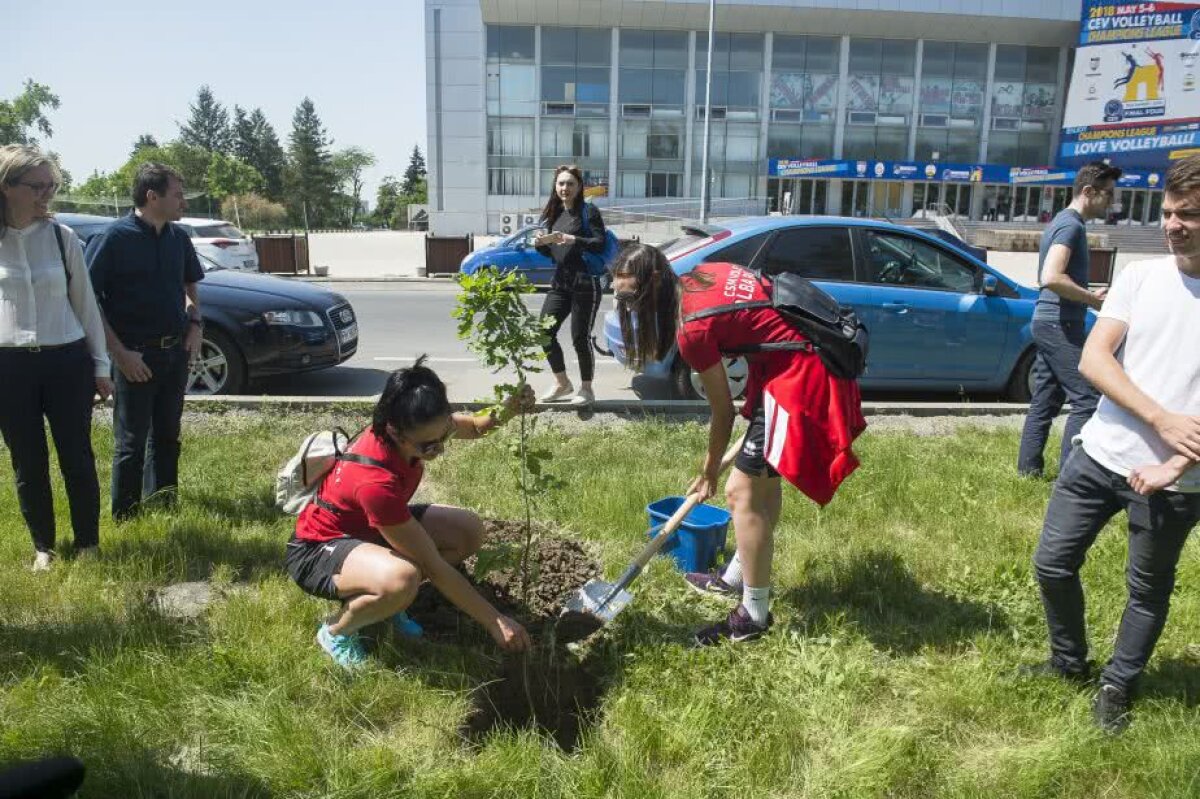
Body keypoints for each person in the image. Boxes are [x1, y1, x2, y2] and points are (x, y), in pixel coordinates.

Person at [611, 244, 866, 645]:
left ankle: (753, 614)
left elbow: (722, 412)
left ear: (654, 283)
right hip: (788, 364)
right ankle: (734, 578)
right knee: (762, 484)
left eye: (628, 298)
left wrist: (709, 471)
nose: (625, 308)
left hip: (803, 374)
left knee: (741, 492)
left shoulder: (692, 327)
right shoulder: (704, 275)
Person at [1027, 154, 1200, 734]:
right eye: (1169, 213)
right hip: (1097, 454)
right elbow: (1095, 360)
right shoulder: (1141, 276)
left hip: (1176, 481)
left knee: (1147, 590)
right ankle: (1068, 662)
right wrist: (1160, 417)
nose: (1173, 226)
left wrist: (1176, 460)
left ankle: (1117, 685)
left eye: (1189, 215)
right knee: (1052, 564)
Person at [286, 357, 535, 669]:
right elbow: (434, 564)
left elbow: (473, 426)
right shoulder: (374, 483)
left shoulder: (419, 425)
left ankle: (389, 602)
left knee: (467, 531)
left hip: (371, 531)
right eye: (429, 447)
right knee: (403, 578)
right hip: (319, 549)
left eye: (445, 435)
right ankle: (338, 630)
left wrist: (509, 409)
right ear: (396, 434)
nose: (440, 449)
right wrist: (495, 620)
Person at [0, 145, 112, 571]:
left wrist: (101, 365)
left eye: (52, 185)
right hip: (9, 367)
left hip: (65, 361)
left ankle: (87, 543)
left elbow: (86, 307)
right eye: (37, 186)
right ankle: (43, 547)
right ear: (8, 188)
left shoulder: (62, 238)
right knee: (27, 460)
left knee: (76, 456)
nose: (47, 193)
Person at [86, 164, 204, 519]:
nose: (183, 200)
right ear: (152, 197)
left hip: (174, 353)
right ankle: (127, 517)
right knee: (131, 443)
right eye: (177, 194)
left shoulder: (178, 239)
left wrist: (196, 322)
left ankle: (164, 504)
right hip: (134, 356)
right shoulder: (113, 239)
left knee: (168, 436)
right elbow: (88, 301)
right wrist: (119, 354)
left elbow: (190, 285)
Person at [1017, 161, 1120, 478]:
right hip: (1058, 323)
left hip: (1051, 320)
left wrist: (1087, 292)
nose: (1112, 203)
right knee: (1087, 398)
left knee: (1046, 400)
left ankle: (1028, 472)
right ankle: (1071, 477)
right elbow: (1051, 276)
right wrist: (1092, 299)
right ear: (1089, 191)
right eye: (1108, 195)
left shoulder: (1063, 222)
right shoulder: (1071, 225)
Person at [534, 164, 607, 406]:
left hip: (586, 282)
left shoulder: (589, 212)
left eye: (570, 184)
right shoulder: (555, 214)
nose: (565, 188)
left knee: (580, 338)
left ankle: (586, 389)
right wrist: (541, 244)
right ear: (555, 187)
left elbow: (599, 243)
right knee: (544, 333)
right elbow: (554, 253)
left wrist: (574, 239)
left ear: (578, 187)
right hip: (560, 283)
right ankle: (562, 383)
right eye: (561, 183)